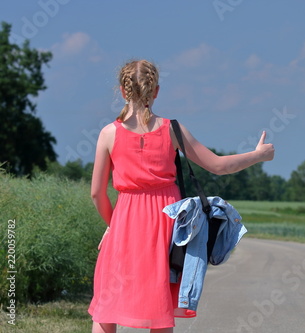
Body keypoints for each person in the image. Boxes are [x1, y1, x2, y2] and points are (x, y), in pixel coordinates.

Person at [88, 59, 275, 333]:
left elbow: (96, 193)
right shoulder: (172, 130)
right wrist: (258, 156)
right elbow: (218, 166)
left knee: (107, 307)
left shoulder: (108, 134)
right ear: (156, 91)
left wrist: (112, 225)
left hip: (124, 225)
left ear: (123, 90)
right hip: (167, 226)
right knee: (161, 306)